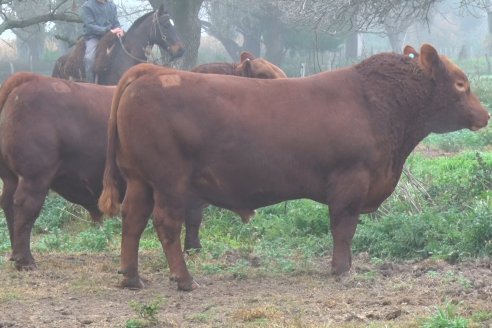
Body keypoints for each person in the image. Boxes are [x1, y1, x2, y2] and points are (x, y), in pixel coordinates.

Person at [80, 0, 124, 82]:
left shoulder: (112, 5)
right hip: (94, 37)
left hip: (111, 37)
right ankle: (90, 85)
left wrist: (119, 30)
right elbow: (90, 26)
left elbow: (116, 23)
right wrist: (108, 31)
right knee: (89, 58)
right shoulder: (87, 6)